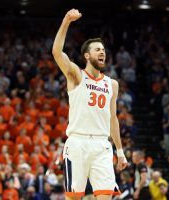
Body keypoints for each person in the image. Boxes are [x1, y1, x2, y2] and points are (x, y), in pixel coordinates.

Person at [52, 8, 127, 200]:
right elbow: (57, 52)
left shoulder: (112, 84)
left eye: (103, 50)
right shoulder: (77, 76)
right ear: (87, 55)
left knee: (106, 196)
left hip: (102, 144)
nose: (102, 52)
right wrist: (66, 21)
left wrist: (120, 151)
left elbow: (113, 119)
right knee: (74, 197)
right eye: (97, 50)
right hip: (78, 142)